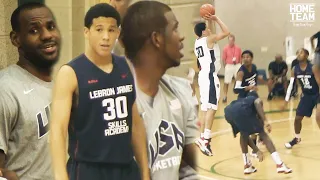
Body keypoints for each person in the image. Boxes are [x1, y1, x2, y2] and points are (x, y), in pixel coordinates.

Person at [49, 3, 149, 180]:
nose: (106, 37)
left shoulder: (126, 66)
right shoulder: (70, 73)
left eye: (111, 30)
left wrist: (145, 172)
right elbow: (58, 129)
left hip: (126, 168)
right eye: (99, 29)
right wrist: (60, 176)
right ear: (86, 32)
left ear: (118, 33)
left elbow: (135, 124)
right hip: (88, 170)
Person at [120, 1, 199, 179]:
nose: (181, 37)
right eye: (175, 29)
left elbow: (189, 170)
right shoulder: (119, 100)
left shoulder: (182, 91)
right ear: (157, 39)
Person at [0, 2, 61, 180]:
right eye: (34, 30)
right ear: (16, 39)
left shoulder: (61, 83)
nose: (47, 35)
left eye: (50, 27)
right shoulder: (6, 89)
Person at [224, 91, 292, 174]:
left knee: (243, 135)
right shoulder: (254, 99)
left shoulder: (242, 101)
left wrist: (256, 150)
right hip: (240, 111)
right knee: (263, 134)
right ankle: (279, 164)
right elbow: (257, 102)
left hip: (228, 113)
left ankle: (247, 165)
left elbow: (247, 137)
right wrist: (266, 121)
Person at [193, 14, 230, 156]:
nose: (210, 30)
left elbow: (212, 33)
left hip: (203, 76)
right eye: (207, 28)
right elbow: (226, 32)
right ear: (204, 32)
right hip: (209, 76)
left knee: (205, 108)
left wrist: (209, 20)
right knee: (212, 108)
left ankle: (202, 137)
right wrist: (216, 19)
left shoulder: (198, 42)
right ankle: (206, 139)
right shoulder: (208, 39)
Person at [282, 48, 319, 149]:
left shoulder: (313, 67)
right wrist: (286, 100)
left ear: (307, 55)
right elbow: (291, 85)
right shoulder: (295, 69)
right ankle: (297, 138)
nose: (299, 54)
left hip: (317, 94)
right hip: (306, 95)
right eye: (297, 52)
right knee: (297, 119)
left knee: (318, 117)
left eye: (301, 52)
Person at [222, 34, 242, 103]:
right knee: (226, 82)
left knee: (239, 80)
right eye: (229, 41)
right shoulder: (225, 48)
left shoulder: (238, 48)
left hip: (237, 65)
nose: (230, 42)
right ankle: (225, 96)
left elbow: (240, 58)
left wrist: (240, 65)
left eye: (231, 41)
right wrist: (226, 66)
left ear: (234, 41)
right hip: (229, 65)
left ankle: (240, 95)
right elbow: (223, 59)